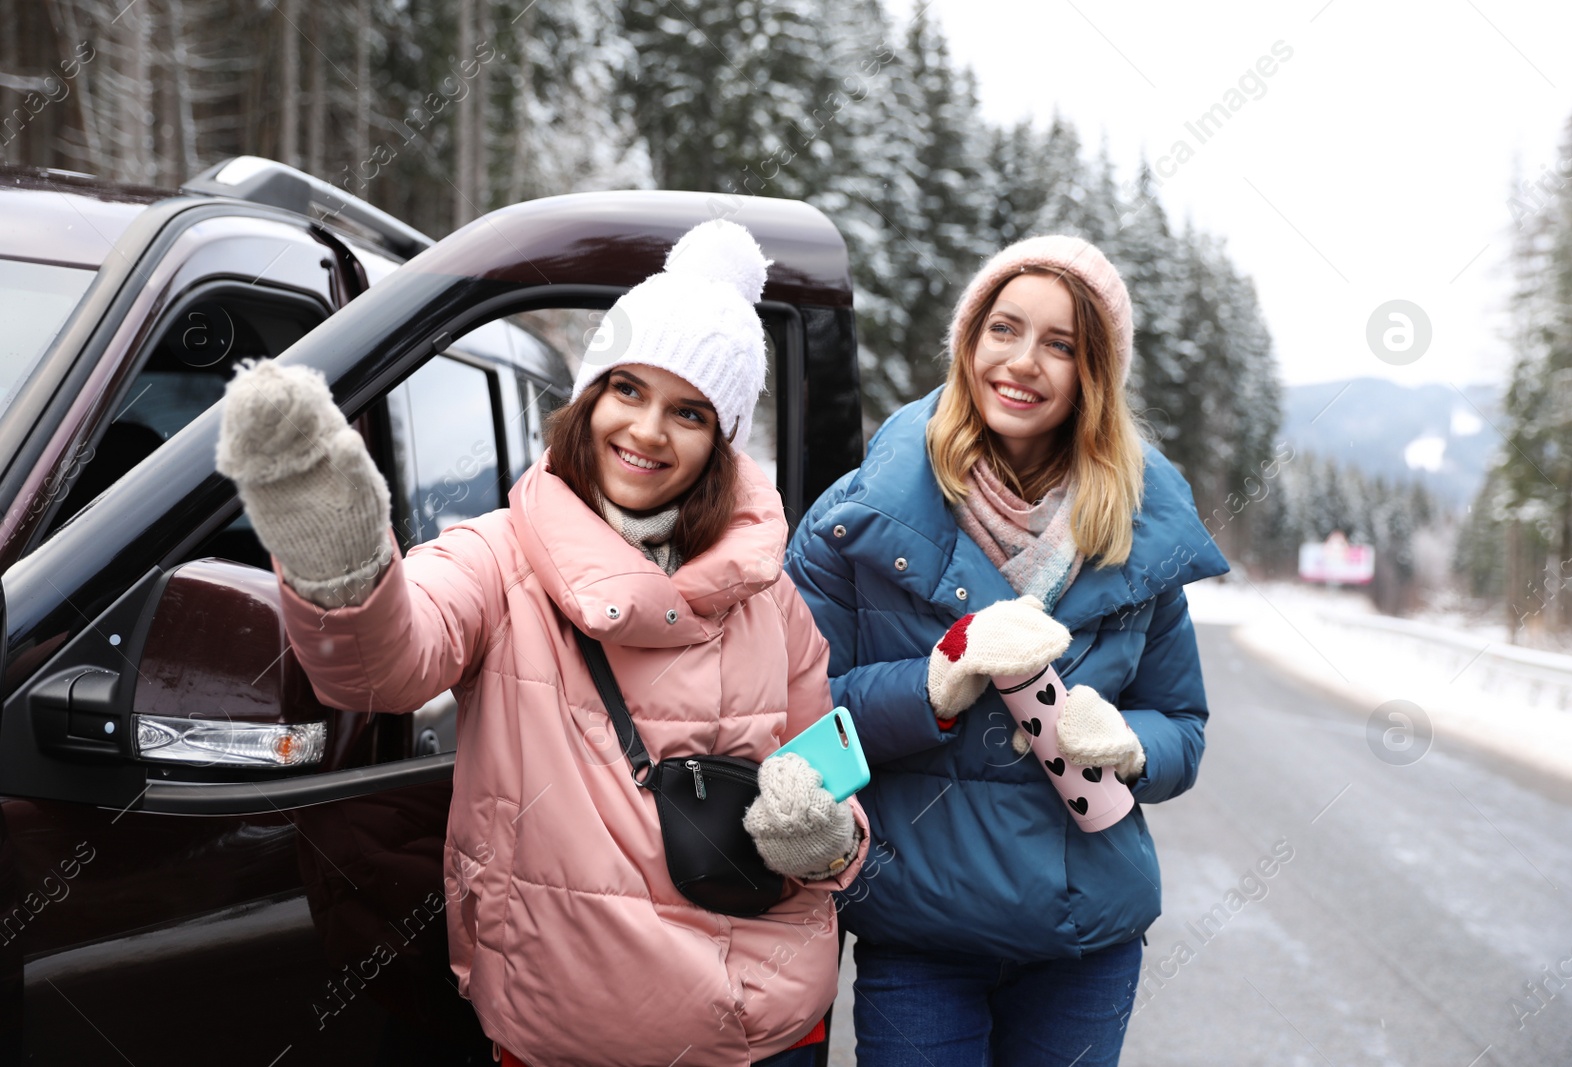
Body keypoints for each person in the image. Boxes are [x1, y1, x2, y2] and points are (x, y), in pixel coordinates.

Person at [216, 220, 870, 1067]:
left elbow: (829, 779)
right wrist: (340, 560)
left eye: (688, 411)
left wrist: (829, 840)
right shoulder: (498, 556)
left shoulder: (769, 596)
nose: (646, 430)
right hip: (579, 1041)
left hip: (778, 1033)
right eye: (627, 389)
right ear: (588, 395)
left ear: (722, 439)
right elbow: (386, 665)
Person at [784, 235, 1230, 1066]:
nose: (1023, 363)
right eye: (1005, 329)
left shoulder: (1134, 535)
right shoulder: (858, 519)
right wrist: (929, 688)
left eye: (1060, 344)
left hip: (1084, 939)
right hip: (920, 931)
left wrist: (1132, 745)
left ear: (1093, 375)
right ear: (968, 340)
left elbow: (1184, 725)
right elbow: (796, 722)